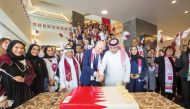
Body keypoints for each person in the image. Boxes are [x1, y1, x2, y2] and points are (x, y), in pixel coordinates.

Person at [0, 40, 36, 108]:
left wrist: (24, 79)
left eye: (22, 48)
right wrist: (1, 98)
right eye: (16, 47)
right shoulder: (3, 60)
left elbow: (33, 75)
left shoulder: (26, 61)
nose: (19, 50)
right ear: (11, 48)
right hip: (10, 95)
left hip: (27, 93)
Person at [175, 40, 190, 109]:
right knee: (186, 93)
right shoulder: (183, 54)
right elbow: (178, 65)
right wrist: (177, 58)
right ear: (188, 45)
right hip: (184, 76)